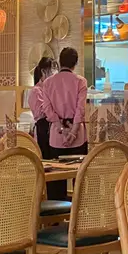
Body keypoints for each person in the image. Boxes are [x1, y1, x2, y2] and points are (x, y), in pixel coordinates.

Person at [39, 48, 86, 201]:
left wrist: (60, 128)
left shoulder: (48, 82)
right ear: (75, 63)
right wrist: (73, 132)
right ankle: (78, 213)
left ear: (59, 62)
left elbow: (47, 109)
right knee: (79, 180)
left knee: (56, 181)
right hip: (78, 136)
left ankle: (56, 212)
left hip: (56, 136)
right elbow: (80, 109)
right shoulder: (80, 81)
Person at [28, 56, 58, 162]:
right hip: (43, 130)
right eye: (52, 72)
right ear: (43, 72)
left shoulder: (50, 89)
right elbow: (42, 113)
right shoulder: (36, 91)